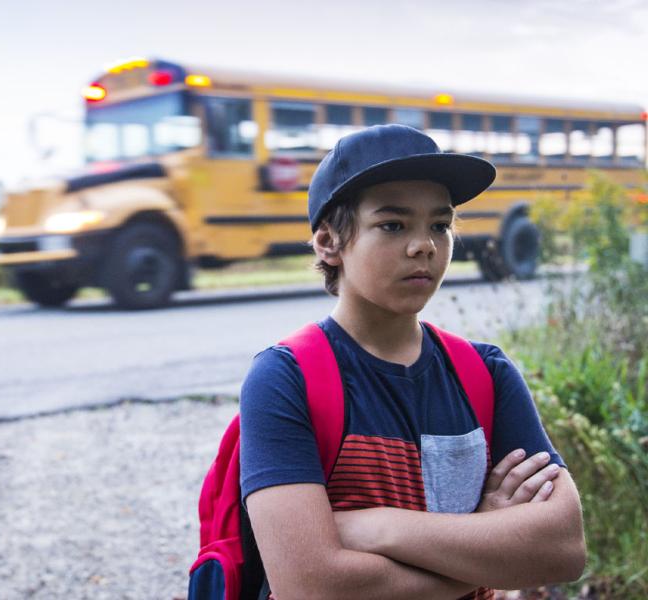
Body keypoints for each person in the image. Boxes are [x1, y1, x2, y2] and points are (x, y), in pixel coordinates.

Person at [239, 124, 586, 599]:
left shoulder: (485, 373)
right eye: (393, 225)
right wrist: (488, 544)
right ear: (328, 243)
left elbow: (562, 549)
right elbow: (309, 585)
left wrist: (379, 529)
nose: (424, 245)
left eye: (440, 225)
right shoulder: (286, 377)